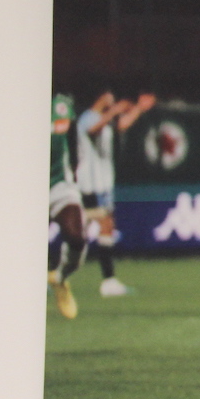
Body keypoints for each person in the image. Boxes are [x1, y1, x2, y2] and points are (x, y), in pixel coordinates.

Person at [74, 88, 156, 296]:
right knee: (101, 226)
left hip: (101, 183)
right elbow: (92, 130)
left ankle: (56, 273)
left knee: (95, 228)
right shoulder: (88, 118)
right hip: (90, 183)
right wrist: (115, 110)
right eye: (110, 95)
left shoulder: (104, 119)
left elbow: (120, 125)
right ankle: (107, 281)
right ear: (100, 96)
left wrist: (138, 108)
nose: (113, 99)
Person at [48, 93, 84, 319]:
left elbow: (71, 137)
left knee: (77, 237)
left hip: (58, 182)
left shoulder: (60, 105)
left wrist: (75, 169)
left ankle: (61, 277)